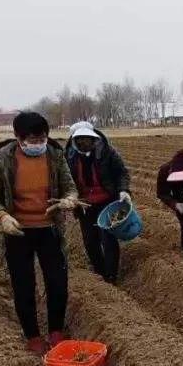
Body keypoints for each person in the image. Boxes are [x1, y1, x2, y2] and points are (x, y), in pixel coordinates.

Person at [0, 111, 79, 354]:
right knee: (23, 284)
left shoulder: (55, 155)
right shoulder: (2, 158)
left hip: (49, 230)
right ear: (18, 137)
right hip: (17, 231)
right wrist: (2, 216)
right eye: (32, 140)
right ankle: (33, 335)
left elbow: (70, 187)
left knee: (58, 282)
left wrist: (69, 199)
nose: (38, 144)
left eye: (42, 138)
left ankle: (56, 330)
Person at [65, 121, 131, 284]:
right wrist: (69, 197)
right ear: (75, 141)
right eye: (80, 141)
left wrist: (123, 190)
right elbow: (65, 180)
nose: (84, 144)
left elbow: (121, 173)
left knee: (108, 238)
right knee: (90, 240)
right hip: (84, 204)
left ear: (94, 140)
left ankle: (111, 276)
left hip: (107, 201)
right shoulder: (69, 156)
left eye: (87, 140)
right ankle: (100, 272)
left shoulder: (108, 152)